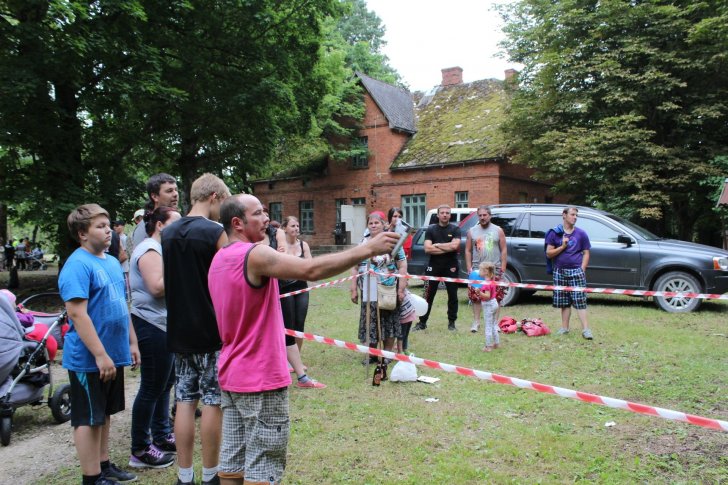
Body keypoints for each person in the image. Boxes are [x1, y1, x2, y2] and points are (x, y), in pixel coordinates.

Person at [207, 194, 398, 485]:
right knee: (262, 468)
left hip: (232, 374)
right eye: (257, 213)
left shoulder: (219, 258)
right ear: (237, 223)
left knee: (233, 465)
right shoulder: (254, 255)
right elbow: (311, 270)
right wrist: (367, 249)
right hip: (260, 378)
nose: (266, 219)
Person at [58, 204, 140, 485]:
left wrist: (131, 342)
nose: (108, 231)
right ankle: (91, 477)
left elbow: (122, 305)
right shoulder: (77, 265)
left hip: (113, 353)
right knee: (87, 417)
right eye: (100, 226)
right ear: (82, 233)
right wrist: (100, 354)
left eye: (108, 225)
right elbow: (77, 314)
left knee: (104, 412)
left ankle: (103, 465)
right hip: (89, 358)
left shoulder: (111, 262)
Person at [163, 173, 230, 485]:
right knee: (213, 400)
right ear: (214, 196)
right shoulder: (215, 232)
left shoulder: (168, 232)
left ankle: (184, 475)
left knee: (185, 400)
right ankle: (211, 474)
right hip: (210, 328)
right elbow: (229, 278)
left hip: (179, 329)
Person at [128, 207, 181, 470]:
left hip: (163, 323)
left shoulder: (160, 249)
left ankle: (161, 435)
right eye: (175, 223)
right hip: (150, 324)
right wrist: (183, 272)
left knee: (165, 382)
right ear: (160, 225)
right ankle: (140, 449)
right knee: (151, 386)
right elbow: (157, 288)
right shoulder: (150, 249)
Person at [350, 211, 407, 362]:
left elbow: (402, 265)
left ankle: (387, 354)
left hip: (388, 288)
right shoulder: (363, 243)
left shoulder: (392, 241)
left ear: (383, 225)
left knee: (389, 321)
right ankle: (372, 354)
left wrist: (401, 289)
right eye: (371, 223)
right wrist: (353, 289)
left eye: (376, 223)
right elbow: (354, 267)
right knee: (370, 321)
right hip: (368, 288)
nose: (373, 225)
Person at [277, 216, 325, 389]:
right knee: (288, 325)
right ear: (284, 228)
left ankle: (297, 360)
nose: (296, 228)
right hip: (286, 288)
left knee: (299, 324)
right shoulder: (280, 246)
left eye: (297, 226)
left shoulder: (304, 245)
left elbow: (310, 264)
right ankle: (287, 361)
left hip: (301, 287)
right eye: (292, 226)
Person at [545, 206, 593, 340]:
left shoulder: (581, 234)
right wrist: (562, 247)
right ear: (564, 215)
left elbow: (586, 253)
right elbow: (549, 253)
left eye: (576, 215)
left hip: (576, 271)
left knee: (580, 300)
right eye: (572, 214)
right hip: (559, 271)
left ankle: (586, 330)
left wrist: (582, 269)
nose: (575, 217)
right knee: (564, 301)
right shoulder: (555, 233)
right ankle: (565, 328)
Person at [414, 205, 461, 331]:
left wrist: (438, 245)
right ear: (438, 215)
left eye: (447, 213)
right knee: (428, 295)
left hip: (451, 266)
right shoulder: (431, 229)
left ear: (450, 215)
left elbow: (455, 246)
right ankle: (422, 323)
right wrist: (447, 247)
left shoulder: (455, 229)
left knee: (453, 296)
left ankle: (452, 323)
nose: (445, 215)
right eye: (442, 213)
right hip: (433, 266)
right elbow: (427, 249)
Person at [464, 205, 507, 333]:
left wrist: (503, 267)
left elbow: (504, 249)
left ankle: (495, 324)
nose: (482, 217)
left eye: (485, 215)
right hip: (478, 269)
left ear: (490, 216)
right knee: (476, 297)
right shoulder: (472, 231)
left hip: (494, 269)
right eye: (480, 215)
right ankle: (476, 322)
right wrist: (469, 267)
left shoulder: (498, 230)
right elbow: (467, 250)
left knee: (496, 297)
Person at [132, 173, 179, 250]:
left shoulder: (176, 220)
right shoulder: (143, 228)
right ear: (154, 196)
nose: (175, 194)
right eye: (169, 191)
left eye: (176, 190)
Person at [477, 262, 500, 352]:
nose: (479, 271)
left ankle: (488, 346)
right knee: (493, 324)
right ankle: (496, 343)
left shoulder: (486, 284)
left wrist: (479, 292)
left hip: (488, 305)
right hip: (494, 303)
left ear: (486, 272)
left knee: (488, 326)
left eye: (480, 270)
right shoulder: (492, 281)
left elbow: (487, 296)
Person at [113, 221, 130, 296]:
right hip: (118, 268)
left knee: (126, 288)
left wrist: (115, 263)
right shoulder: (115, 237)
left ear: (123, 226)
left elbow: (125, 255)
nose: (115, 227)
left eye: (117, 225)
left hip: (124, 268)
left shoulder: (124, 238)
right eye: (114, 225)